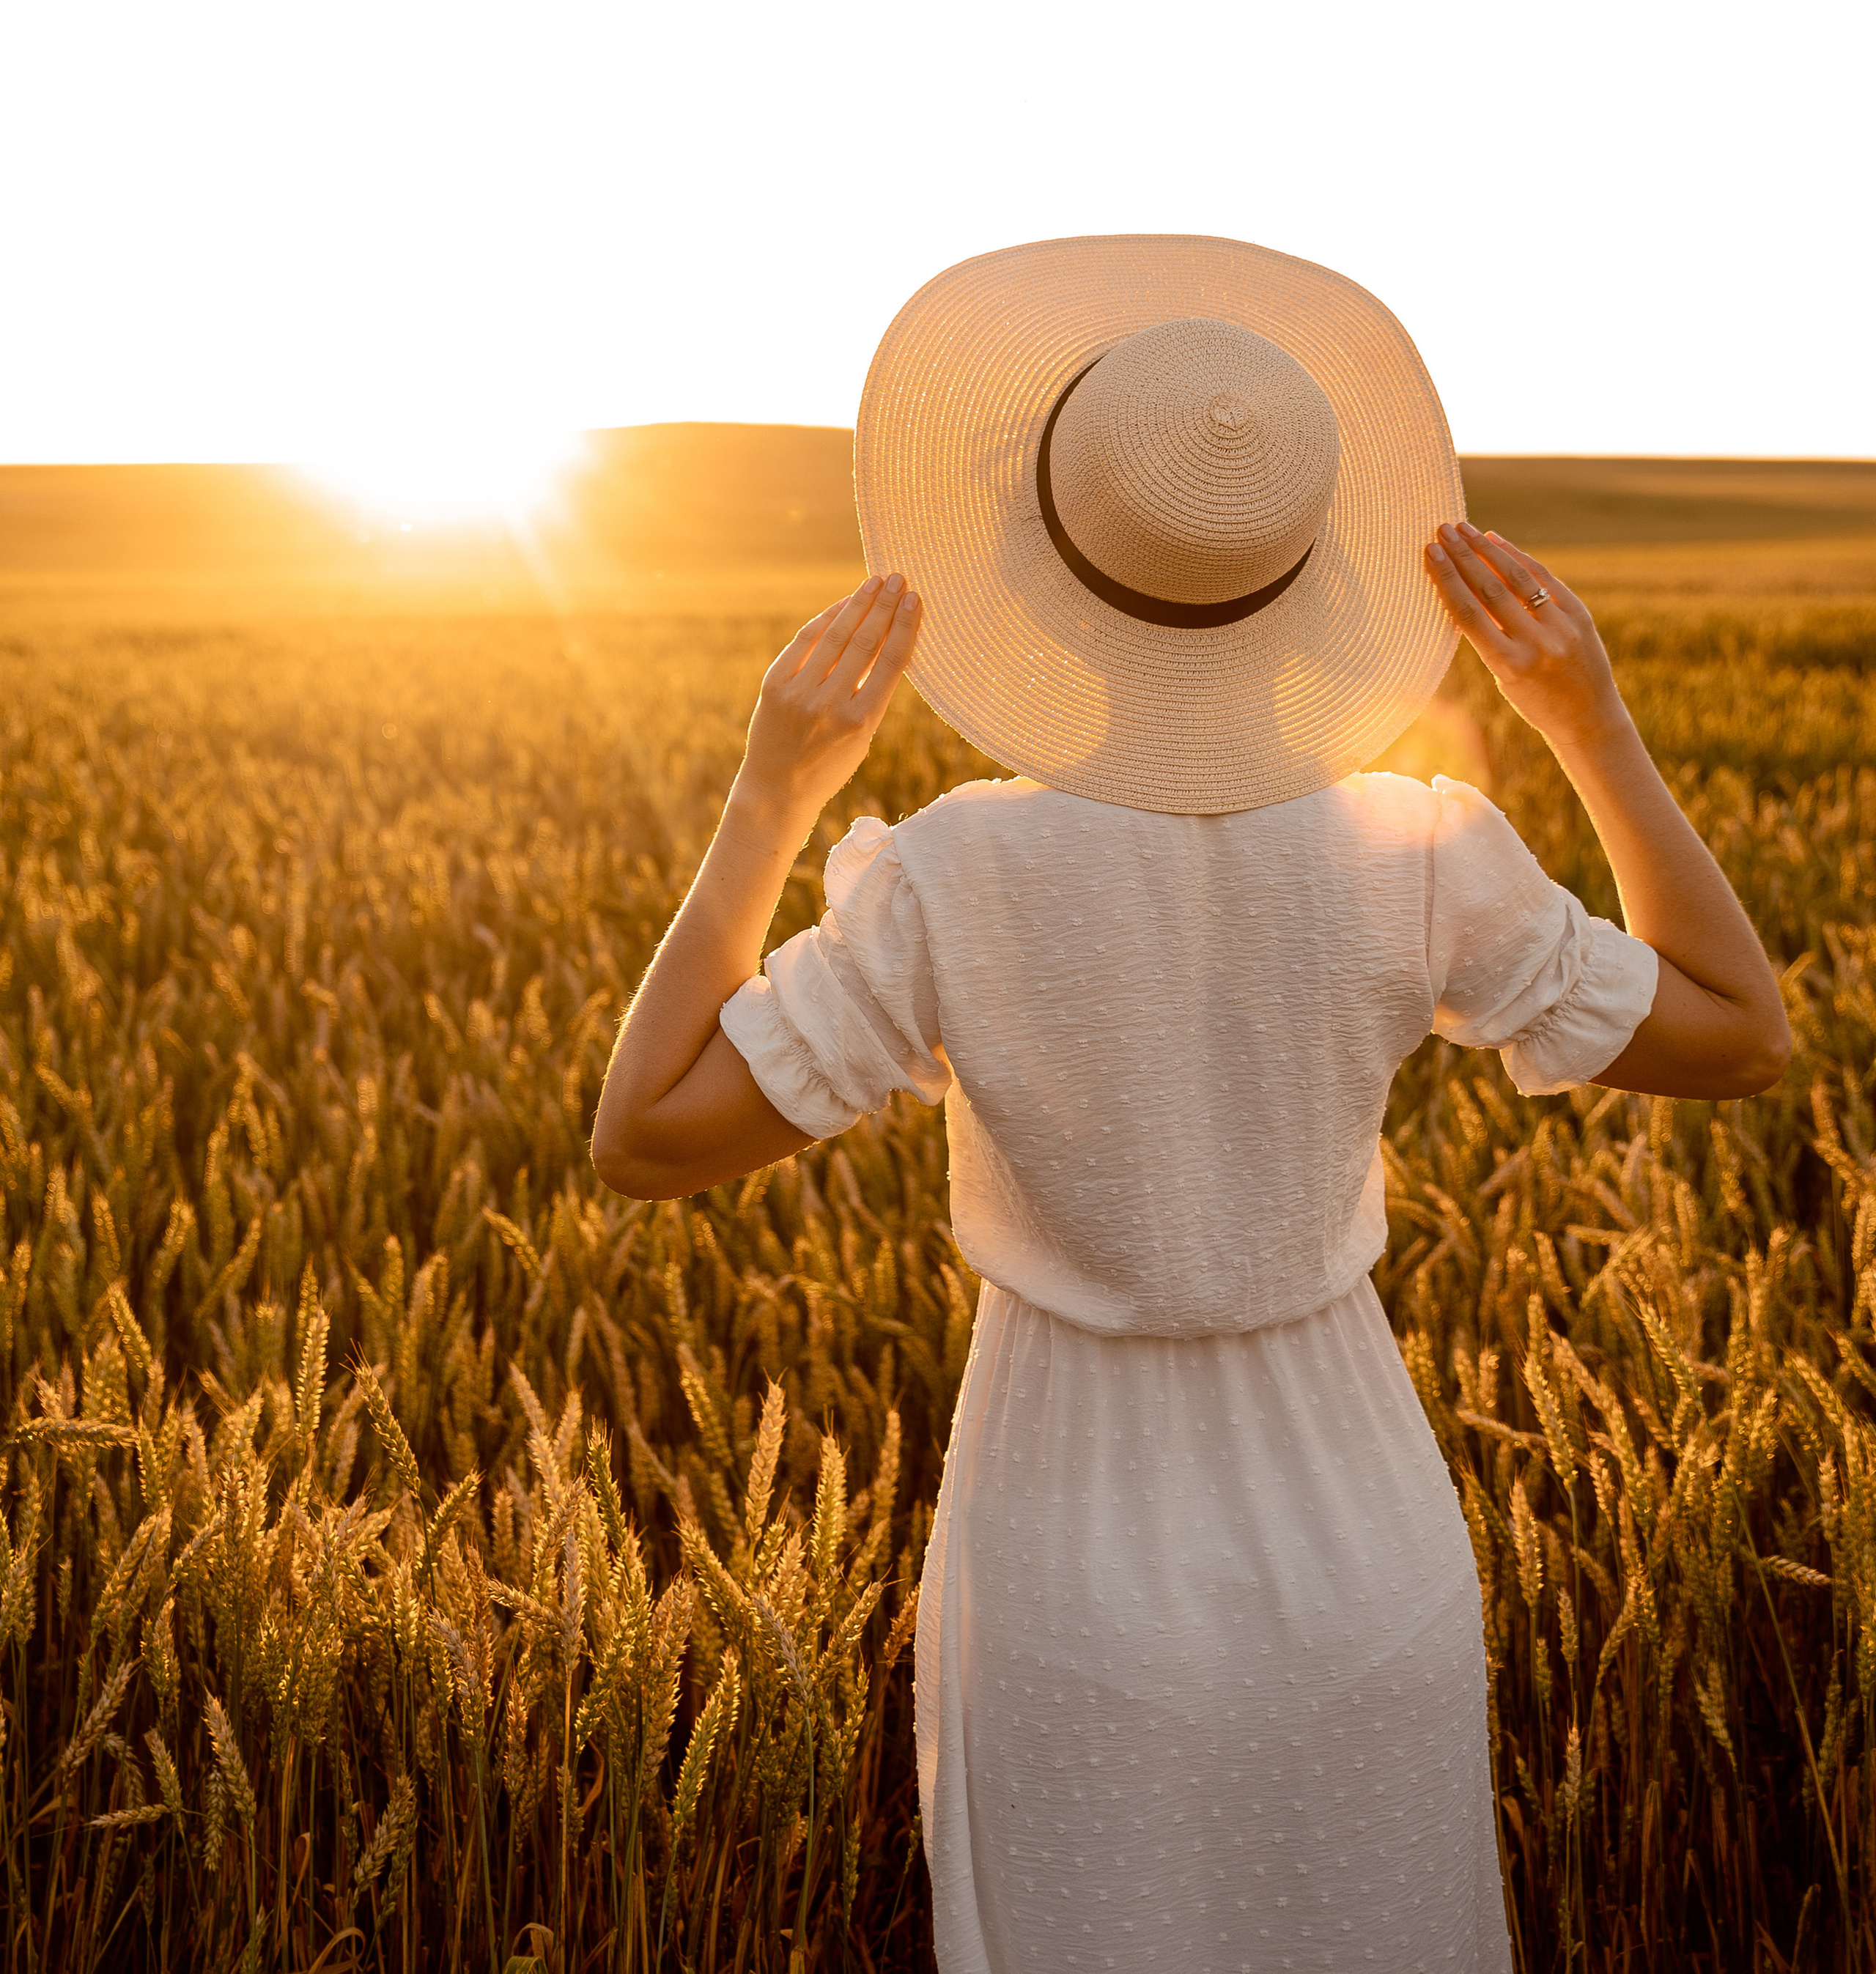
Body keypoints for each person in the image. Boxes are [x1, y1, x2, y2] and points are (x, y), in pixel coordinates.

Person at [590, 234, 1790, 1974]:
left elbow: (643, 1137)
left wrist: (770, 793)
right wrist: (1589, 723)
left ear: (1031, 553)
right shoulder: (1414, 852)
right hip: (1357, 1527)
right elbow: (1739, 1033)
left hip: (1068, 1546)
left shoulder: (953, 876)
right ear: (1311, 559)